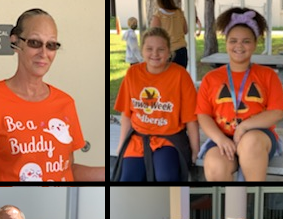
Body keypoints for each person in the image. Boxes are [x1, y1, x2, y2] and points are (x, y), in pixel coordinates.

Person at [0, 8, 103, 182]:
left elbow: (66, 169)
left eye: (51, 45)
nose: (43, 53)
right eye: (35, 43)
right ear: (15, 42)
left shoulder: (65, 102)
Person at [196, 8, 283, 181]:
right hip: (223, 138)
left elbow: (276, 112)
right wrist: (220, 139)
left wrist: (244, 126)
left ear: (255, 43)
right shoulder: (211, 78)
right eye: (233, 40)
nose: (239, 46)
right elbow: (203, 115)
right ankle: (226, 207)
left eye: (246, 41)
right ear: (226, 42)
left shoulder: (267, 75)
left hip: (259, 137)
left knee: (250, 143)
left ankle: (253, 204)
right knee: (214, 164)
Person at [112, 27, 199, 182]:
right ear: (142, 50)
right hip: (138, 138)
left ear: (169, 52)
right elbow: (126, 114)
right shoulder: (133, 73)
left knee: (166, 177)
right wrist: (121, 146)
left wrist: (195, 148)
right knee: (128, 178)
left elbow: (191, 119)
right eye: (149, 49)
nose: (155, 54)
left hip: (168, 138)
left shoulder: (180, 75)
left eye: (161, 49)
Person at [150, 0, 189, 68]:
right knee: (180, 76)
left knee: (167, 77)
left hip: (167, 52)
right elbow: (185, 30)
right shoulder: (179, 13)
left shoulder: (158, 15)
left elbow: (153, 35)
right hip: (181, 50)